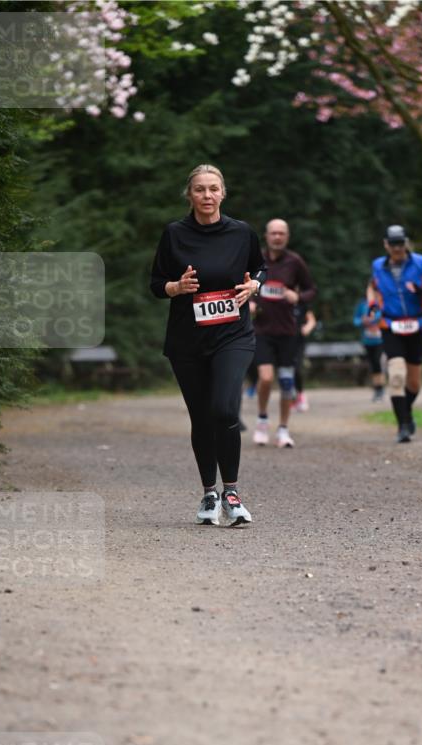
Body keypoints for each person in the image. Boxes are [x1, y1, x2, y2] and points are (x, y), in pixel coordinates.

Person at [150, 164, 266, 526]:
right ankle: (209, 493)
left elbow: (260, 269)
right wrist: (176, 288)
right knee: (201, 417)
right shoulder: (174, 234)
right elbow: (156, 283)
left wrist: (254, 287)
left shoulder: (241, 232)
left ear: (223, 193)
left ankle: (231, 492)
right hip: (188, 340)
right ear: (190, 195)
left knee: (224, 410)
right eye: (200, 190)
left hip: (233, 335)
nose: (207, 196)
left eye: (213, 189)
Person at [367, 224, 422, 442]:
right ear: (386, 245)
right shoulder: (378, 265)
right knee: (397, 375)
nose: (397, 248)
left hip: (417, 325)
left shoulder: (421, 263)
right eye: (393, 244)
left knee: (414, 384)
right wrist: (372, 302)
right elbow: (372, 286)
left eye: (401, 243)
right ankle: (403, 427)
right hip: (391, 325)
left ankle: (406, 414)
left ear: (405, 243)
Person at [252, 219, 317, 448]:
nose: (277, 237)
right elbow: (245, 285)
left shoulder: (295, 261)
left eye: (281, 233)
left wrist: (298, 297)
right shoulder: (256, 259)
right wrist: (250, 302)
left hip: (288, 331)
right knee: (267, 378)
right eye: (273, 233)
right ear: (267, 236)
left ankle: (283, 429)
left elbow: (311, 289)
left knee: (287, 382)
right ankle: (261, 420)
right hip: (262, 330)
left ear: (287, 236)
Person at [353, 298, 385, 401]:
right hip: (367, 341)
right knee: (373, 364)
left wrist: (372, 319)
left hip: (380, 340)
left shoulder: (380, 302)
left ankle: (380, 388)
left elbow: (381, 315)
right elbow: (356, 320)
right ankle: (377, 389)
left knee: (377, 362)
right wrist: (361, 321)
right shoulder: (362, 304)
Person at [292, 303, 317, 412]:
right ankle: (292, 399)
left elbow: (311, 320)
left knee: (297, 368)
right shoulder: (281, 300)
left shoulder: (302, 303)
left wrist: (307, 328)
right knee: (286, 371)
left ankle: (300, 394)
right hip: (283, 340)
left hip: (298, 342)